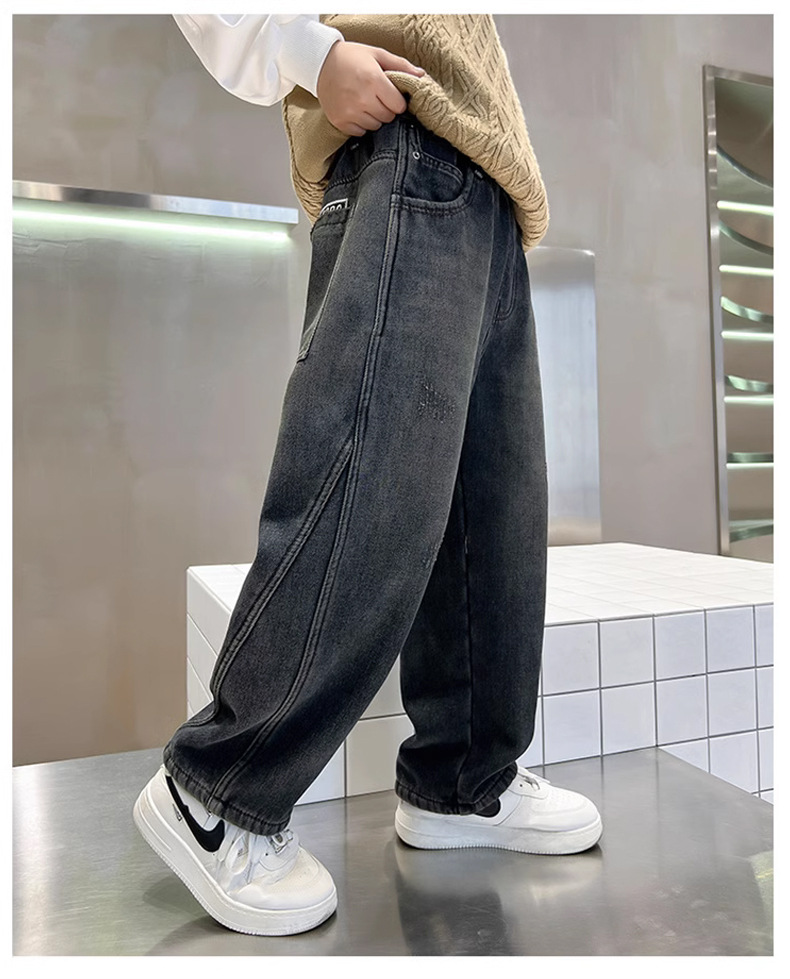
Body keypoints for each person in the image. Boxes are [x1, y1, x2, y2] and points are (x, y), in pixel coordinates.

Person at [133, 13, 603, 938]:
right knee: (373, 474)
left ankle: (462, 781)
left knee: (493, 507)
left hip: (491, 193)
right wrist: (309, 54)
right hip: (406, 140)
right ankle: (218, 788)